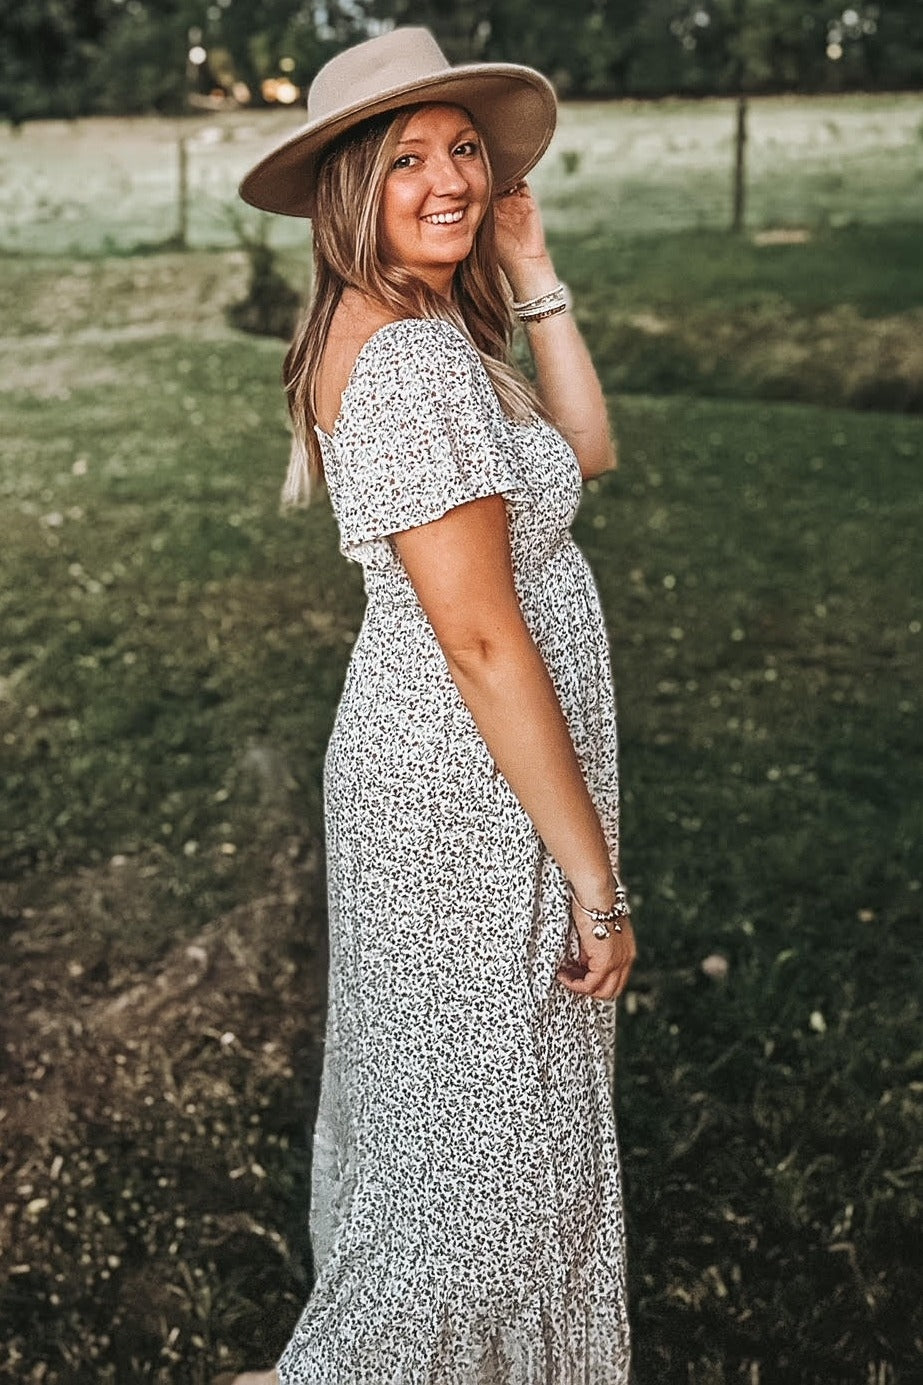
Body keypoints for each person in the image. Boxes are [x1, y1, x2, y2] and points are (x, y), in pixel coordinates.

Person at [216, 25, 636, 1385]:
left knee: (460, 1133)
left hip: (473, 772)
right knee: (479, 1164)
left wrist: (532, 269)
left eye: (465, 150)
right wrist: (598, 883)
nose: (452, 178)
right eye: (409, 158)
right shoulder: (406, 361)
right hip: (469, 792)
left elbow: (584, 452)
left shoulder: (423, 328)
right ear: (351, 183)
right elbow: (483, 641)